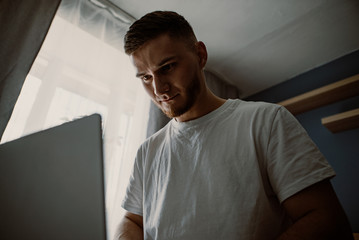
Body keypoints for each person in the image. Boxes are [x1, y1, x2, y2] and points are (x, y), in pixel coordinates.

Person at [115, 11, 353, 240]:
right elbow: (132, 221)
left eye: (166, 67)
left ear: (200, 55)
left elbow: (327, 221)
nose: (158, 89)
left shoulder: (266, 121)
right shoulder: (147, 152)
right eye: (146, 77)